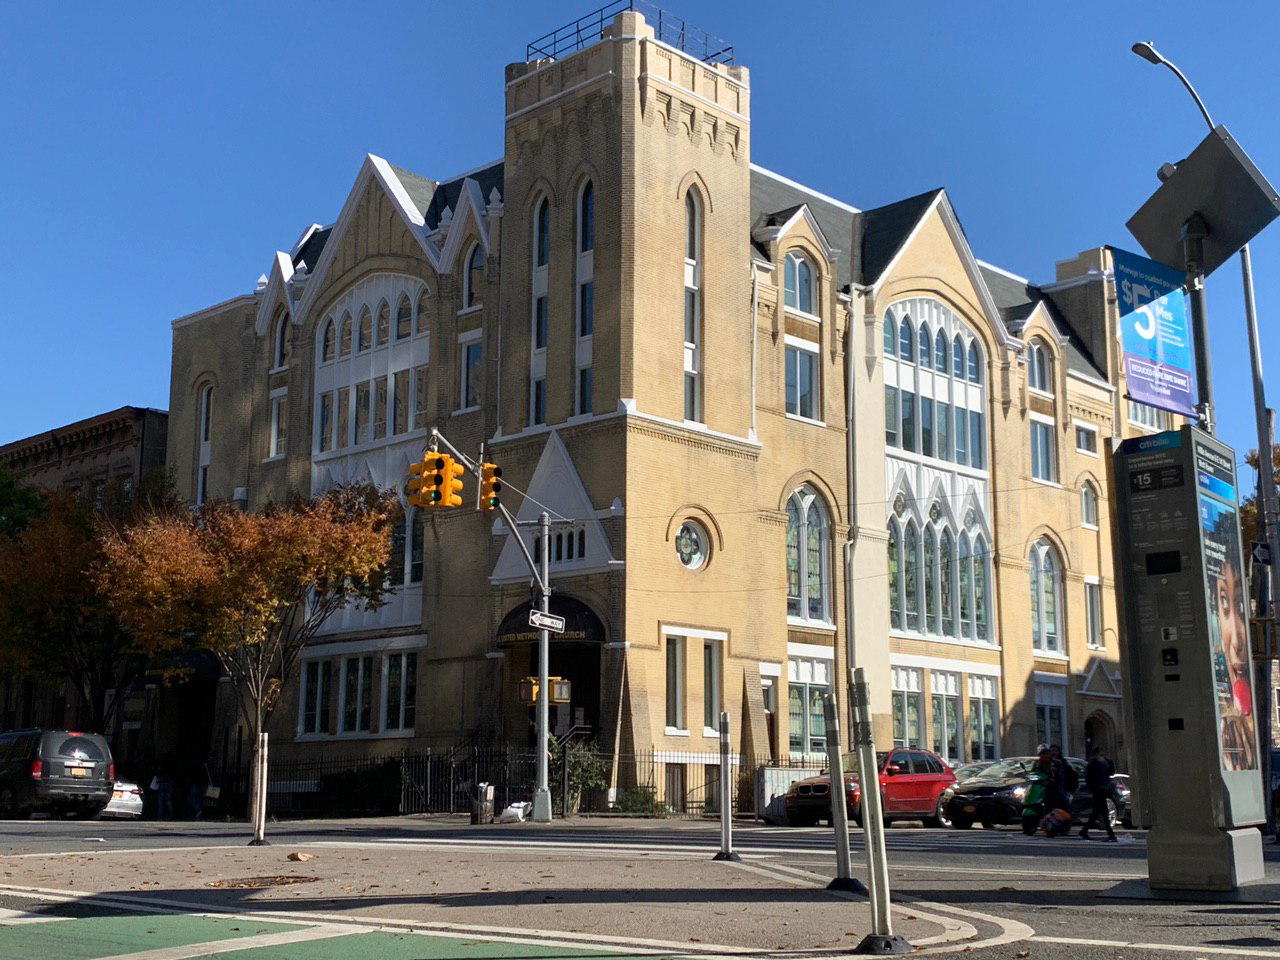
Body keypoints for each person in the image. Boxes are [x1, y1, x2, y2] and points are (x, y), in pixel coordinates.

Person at [1080, 746, 1117, 841]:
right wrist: (1092, 789)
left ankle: (1084, 830)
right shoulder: (1093, 765)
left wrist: (1110, 762)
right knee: (1104, 813)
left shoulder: (1101, 764)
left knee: (1097, 813)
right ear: (1096, 754)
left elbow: (1110, 773)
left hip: (1101, 791)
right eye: (1101, 754)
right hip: (1098, 791)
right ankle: (1111, 834)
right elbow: (1090, 779)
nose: (1102, 757)